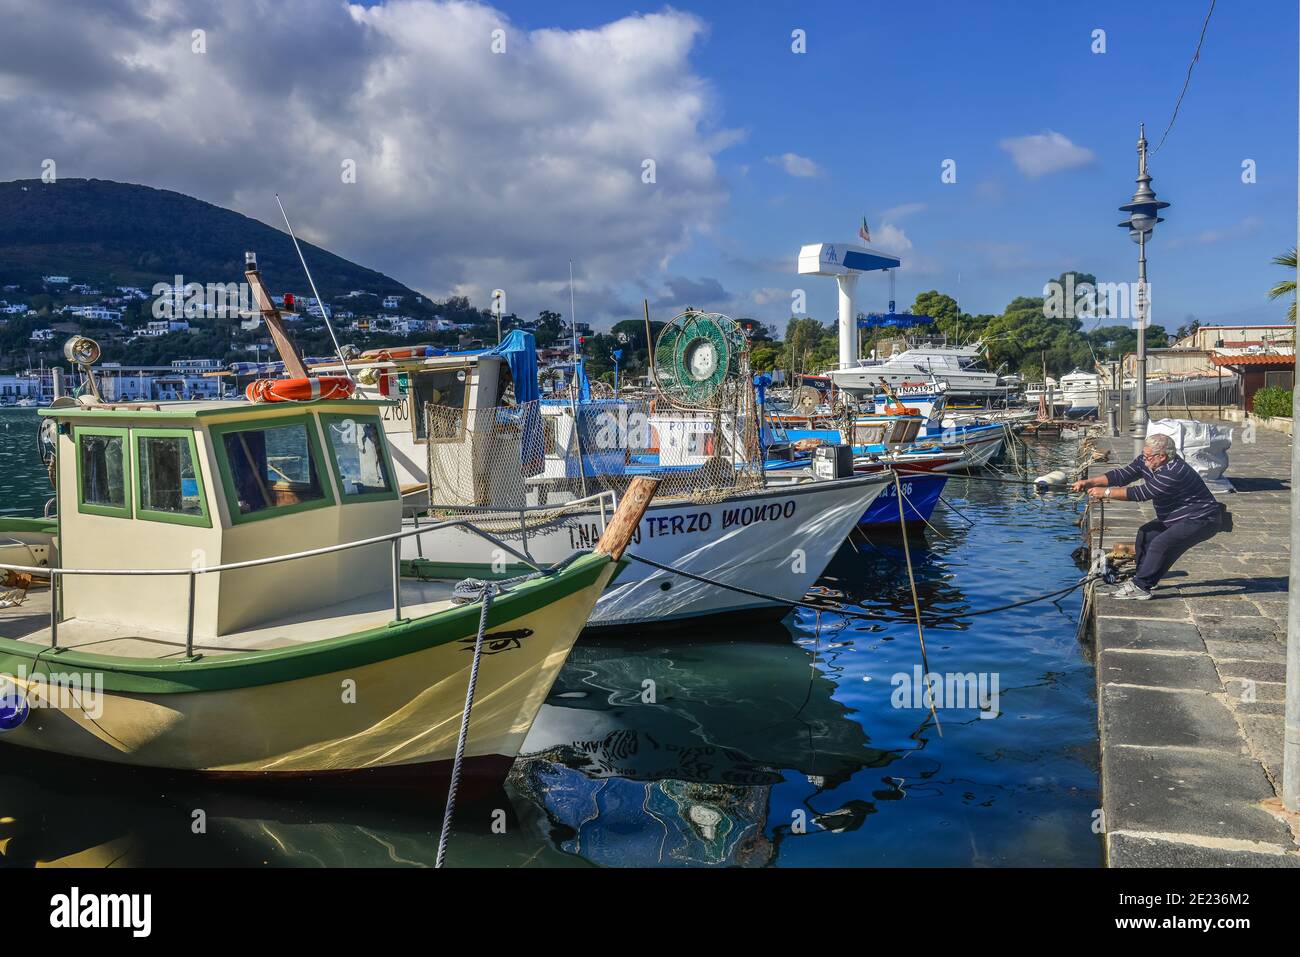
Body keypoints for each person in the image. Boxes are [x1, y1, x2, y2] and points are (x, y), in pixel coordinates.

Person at [1071, 433, 1222, 600]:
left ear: (1162, 456)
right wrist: (1089, 482)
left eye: (1148, 456)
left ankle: (1141, 586)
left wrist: (1106, 492)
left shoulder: (1173, 472)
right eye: (1144, 454)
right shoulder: (1148, 461)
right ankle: (1144, 576)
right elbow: (1122, 475)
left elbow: (1141, 493)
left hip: (1202, 519)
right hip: (1175, 517)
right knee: (1146, 534)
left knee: (1162, 543)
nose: (1144, 459)